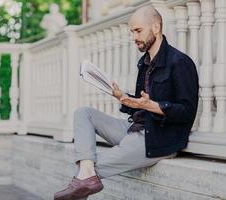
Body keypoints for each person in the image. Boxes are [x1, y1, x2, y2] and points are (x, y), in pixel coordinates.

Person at [54, 5, 199, 200]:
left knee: (86, 177)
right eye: (132, 32)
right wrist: (122, 96)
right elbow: (141, 104)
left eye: (138, 31)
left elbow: (187, 111)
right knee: (83, 113)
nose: (134, 37)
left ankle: (86, 175)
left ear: (155, 27)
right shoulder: (144, 62)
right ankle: (86, 172)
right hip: (135, 128)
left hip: (157, 139)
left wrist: (150, 106)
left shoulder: (180, 62)